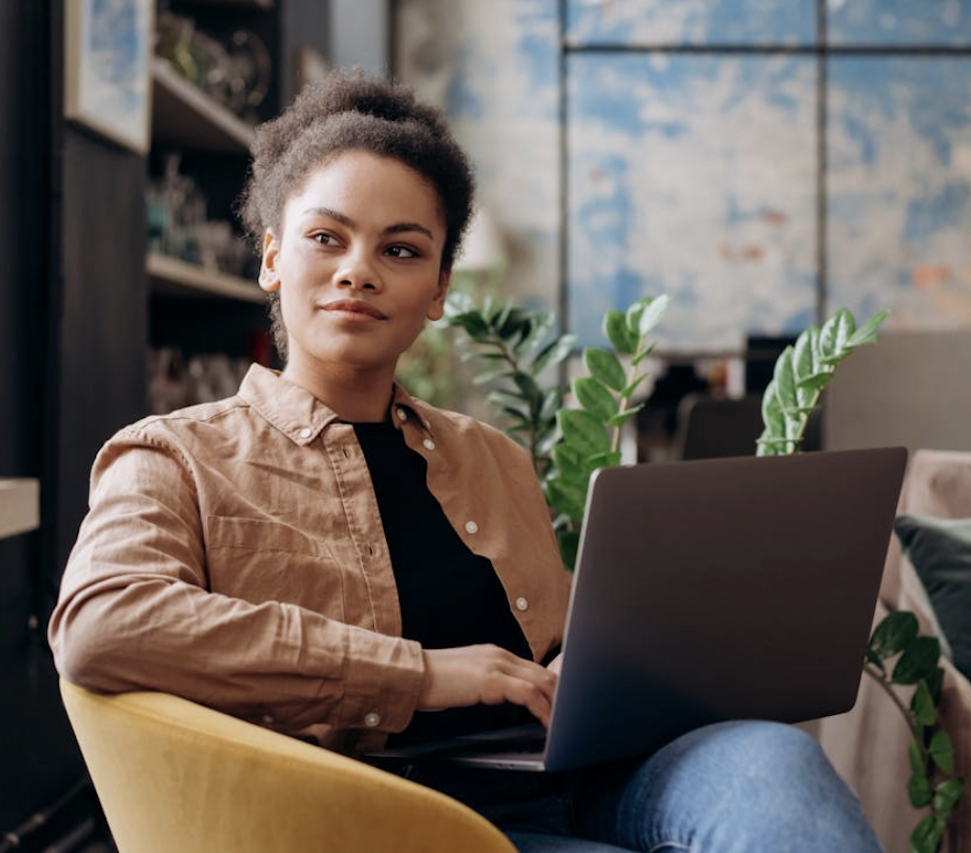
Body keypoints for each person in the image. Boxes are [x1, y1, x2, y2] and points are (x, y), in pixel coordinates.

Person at [48, 72, 884, 853]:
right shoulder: (173, 455)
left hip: (569, 774)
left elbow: (557, 647)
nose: (356, 272)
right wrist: (418, 674)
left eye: (401, 251)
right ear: (273, 257)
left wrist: (604, 672)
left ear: (441, 289)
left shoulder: (488, 455)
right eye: (325, 237)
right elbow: (102, 623)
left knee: (769, 762)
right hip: (392, 812)